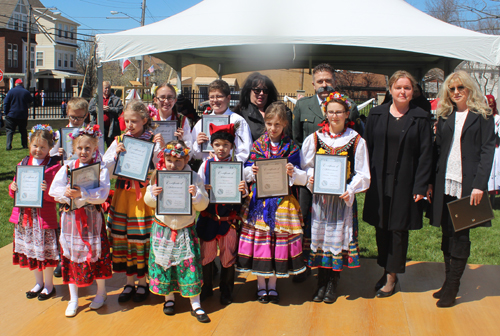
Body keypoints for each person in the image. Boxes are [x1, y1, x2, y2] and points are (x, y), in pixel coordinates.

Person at [363, 70, 432, 297]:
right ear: (390, 89)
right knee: (381, 227)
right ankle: (385, 268)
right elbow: (367, 148)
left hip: (406, 183)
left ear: (413, 92)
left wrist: (421, 186)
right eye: (398, 87)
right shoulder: (376, 114)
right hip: (379, 181)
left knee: (398, 230)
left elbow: (425, 155)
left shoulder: (421, 116)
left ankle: (392, 277)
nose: (403, 91)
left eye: (407, 88)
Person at [429, 70, 494, 307]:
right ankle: (448, 282)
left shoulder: (482, 115)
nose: (456, 92)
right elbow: (437, 151)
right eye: (452, 89)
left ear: (469, 89)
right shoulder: (445, 116)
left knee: (460, 235)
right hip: (444, 182)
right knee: (447, 234)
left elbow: (488, 152)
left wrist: (479, 185)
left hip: (468, 185)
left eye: (460, 88)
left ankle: (453, 287)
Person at [301, 92, 370, 303]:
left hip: (342, 200)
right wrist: (313, 178)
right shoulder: (314, 139)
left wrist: (351, 188)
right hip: (321, 200)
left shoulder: (356, 140)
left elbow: (363, 173)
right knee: (320, 238)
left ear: (347, 113)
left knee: (337, 239)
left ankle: (332, 283)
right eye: (330, 112)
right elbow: (306, 166)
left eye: (339, 112)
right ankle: (320, 282)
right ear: (326, 113)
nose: (334, 116)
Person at [237, 102, 307, 304]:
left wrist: (292, 173)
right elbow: (247, 170)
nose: (272, 128)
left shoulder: (292, 147)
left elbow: (300, 174)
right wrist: (252, 172)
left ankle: (273, 285)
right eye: (269, 123)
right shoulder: (258, 145)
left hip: (283, 202)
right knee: (261, 242)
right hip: (260, 202)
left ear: (284, 124)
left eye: (277, 124)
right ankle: (260, 285)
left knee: (277, 242)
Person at [102, 99, 164, 303]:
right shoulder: (120, 139)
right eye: (126, 120)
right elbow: (106, 168)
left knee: (141, 237)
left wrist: (159, 149)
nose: (129, 125)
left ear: (145, 120)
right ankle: (129, 282)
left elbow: (160, 166)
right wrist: (115, 155)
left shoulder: (151, 140)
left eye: (134, 121)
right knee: (124, 237)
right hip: (123, 195)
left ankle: (143, 282)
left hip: (143, 196)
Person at [48, 125, 112, 317]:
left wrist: (83, 194)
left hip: (92, 218)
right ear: (74, 148)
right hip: (71, 219)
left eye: (88, 148)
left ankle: (101, 292)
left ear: (95, 149)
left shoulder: (100, 169)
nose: (83, 152)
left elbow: (102, 194)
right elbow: (53, 190)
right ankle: (74, 297)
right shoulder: (67, 167)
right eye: (80, 148)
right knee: (71, 255)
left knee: (96, 253)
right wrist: (66, 194)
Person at [144, 140, 211, 323]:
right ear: (164, 159)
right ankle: (169, 299)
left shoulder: (194, 177)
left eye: (178, 161)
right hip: (163, 229)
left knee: (189, 266)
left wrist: (196, 196)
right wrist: (153, 195)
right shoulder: (158, 175)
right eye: (169, 160)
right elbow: (147, 200)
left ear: (187, 158)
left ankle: (195, 304)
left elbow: (203, 204)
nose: (173, 165)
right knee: (166, 265)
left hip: (184, 230)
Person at [292, 63, 337, 282]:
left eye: (328, 80)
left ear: (334, 82)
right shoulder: (302, 107)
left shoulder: (346, 106)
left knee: (331, 223)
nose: (324, 85)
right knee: (306, 221)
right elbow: (296, 141)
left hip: (334, 180)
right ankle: (306, 264)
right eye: (320, 81)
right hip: (308, 179)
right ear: (313, 84)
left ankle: (331, 268)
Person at [196, 122, 249, 305]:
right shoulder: (205, 165)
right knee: (207, 255)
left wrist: (243, 190)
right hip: (209, 219)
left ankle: (226, 290)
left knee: (228, 256)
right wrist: (204, 189)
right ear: (212, 145)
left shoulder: (237, 167)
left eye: (226, 145)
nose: (221, 148)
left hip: (228, 220)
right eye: (217, 144)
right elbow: (197, 190)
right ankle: (206, 288)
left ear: (232, 147)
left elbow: (244, 194)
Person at [8, 125, 60, 300]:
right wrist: (13, 188)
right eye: (35, 146)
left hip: (42, 218)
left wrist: (46, 191)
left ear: (50, 148)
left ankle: (49, 285)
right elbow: (16, 184)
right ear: (30, 145)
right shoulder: (23, 163)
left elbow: (57, 195)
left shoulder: (53, 166)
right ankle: (38, 283)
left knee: (44, 252)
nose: (38, 150)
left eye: (43, 147)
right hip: (26, 218)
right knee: (32, 251)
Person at [191, 79, 252, 163]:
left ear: (228, 98)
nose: (215, 100)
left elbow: (244, 151)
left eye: (219, 96)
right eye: (212, 97)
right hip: (208, 167)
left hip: (230, 169)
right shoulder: (201, 123)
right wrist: (198, 144)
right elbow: (195, 155)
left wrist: (227, 160)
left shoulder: (238, 121)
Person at [234, 72, 292, 142]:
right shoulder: (240, 114)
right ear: (249, 91)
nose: (261, 93)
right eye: (257, 90)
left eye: (265, 91)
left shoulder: (283, 111)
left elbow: (291, 136)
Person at [150, 83, 193, 150]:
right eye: (162, 97)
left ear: (175, 100)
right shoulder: (150, 119)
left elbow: (189, 149)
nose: (166, 101)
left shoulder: (182, 120)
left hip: (175, 159)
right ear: (155, 100)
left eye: (169, 97)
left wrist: (180, 141)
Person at [89, 81, 124, 147]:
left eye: (108, 88)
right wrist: (99, 109)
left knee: (111, 146)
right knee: (97, 146)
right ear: (101, 88)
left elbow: (120, 109)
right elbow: (90, 109)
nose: (107, 90)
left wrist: (109, 109)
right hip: (98, 127)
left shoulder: (116, 99)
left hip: (111, 127)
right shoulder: (95, 99)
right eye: (105, 88)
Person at [4, 78, 33, 150]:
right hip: (22, 114)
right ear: (22, 84)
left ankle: (8, 146)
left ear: (15, 84)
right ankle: (24, 145)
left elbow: (6, 103)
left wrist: (6, 112)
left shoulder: (11, 92)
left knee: (10, 130)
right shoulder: (26, 92)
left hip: (11, 114)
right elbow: (31, 100)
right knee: (23, 130)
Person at [487, 95, 500, 201]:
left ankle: (492, 200)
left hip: (494, 150)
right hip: (483, 149)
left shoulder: (497, 119)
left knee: (493, 174)